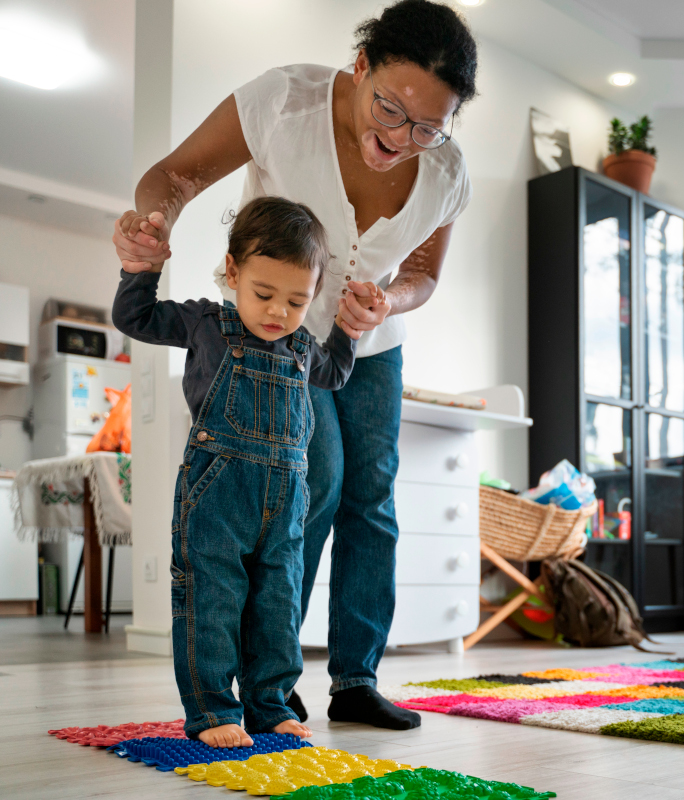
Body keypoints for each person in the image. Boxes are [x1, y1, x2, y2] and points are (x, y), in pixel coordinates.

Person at [111, 0, 477, 730]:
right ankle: (268, 674)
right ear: (361, 65)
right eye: (391, 108)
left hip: (368, 344)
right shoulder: (285, 101)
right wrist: (153, 228)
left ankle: (356, 679)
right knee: (314, 482)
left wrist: (390, 299)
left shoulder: (445, 172)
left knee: (373, 499)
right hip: (270, 339)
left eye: (429, 125)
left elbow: (426, 273)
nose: (403, 136)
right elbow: (175, 174)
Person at [112, 196, 367, 747]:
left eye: (297, 300)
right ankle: (212, 711)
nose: (278, 312)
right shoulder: (207, 323)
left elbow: (338, 374)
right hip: (217, 494)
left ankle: (269, 705)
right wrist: (142, 269)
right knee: (213, 599)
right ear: (233, 271)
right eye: (264, 294)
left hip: (285, 503)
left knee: (278, 603)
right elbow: (134, 317)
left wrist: (349, 328)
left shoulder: (302, 346)